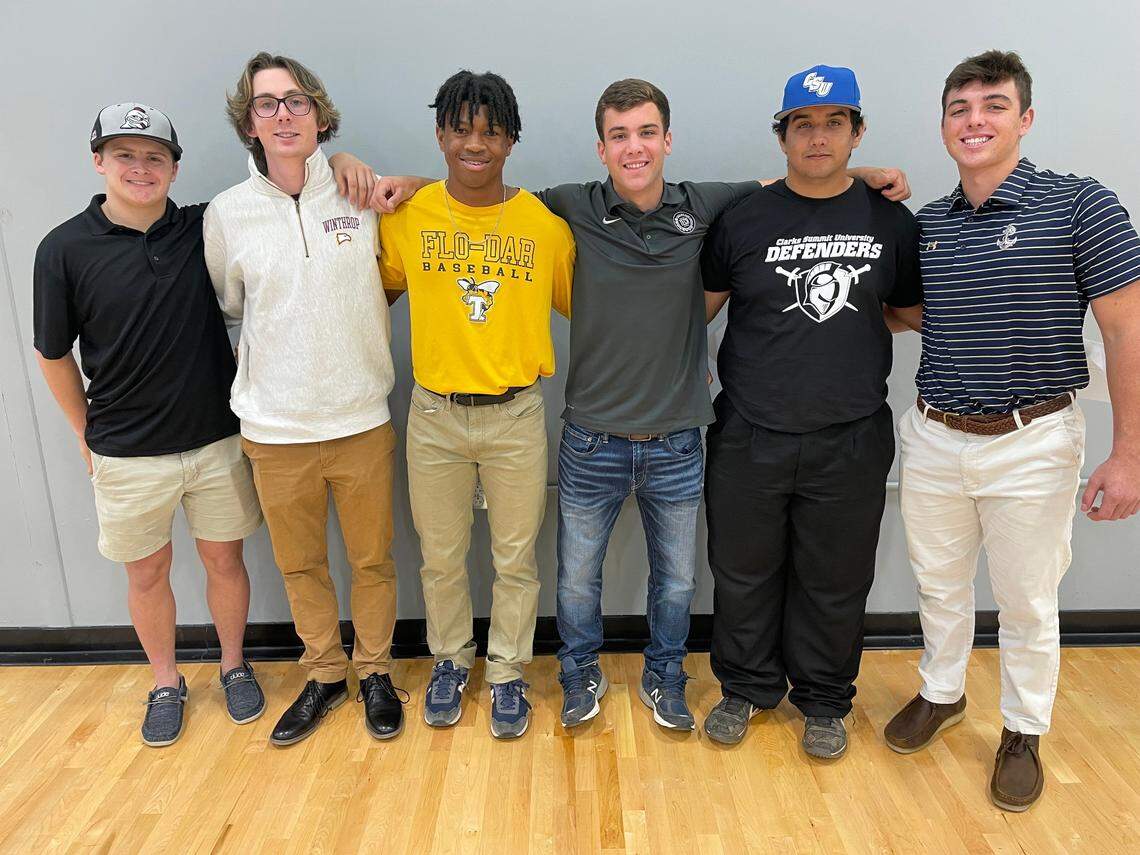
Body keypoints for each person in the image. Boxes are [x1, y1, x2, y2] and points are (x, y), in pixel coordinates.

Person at [374, 80, 910, 733]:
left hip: (679, 437)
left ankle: (665, 675)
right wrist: (405, 181)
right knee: (574, 583)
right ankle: (575, 674)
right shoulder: (564, 208)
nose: (635, 148)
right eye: (620, 136)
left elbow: (799, 179)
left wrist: (862, 172)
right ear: (601, 148)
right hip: (590, 438)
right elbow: (481, 190)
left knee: (677, 583)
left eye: (647, 132)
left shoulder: (712, 205)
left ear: (667, 140)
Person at [883, 50, 1140, 811]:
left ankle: (1024, 728)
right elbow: (910, 314)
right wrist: (867, 192)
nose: (975, 120)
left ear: (1024, 119)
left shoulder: (1080, 205)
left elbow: (1126, 331)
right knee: (939, 583)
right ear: (943, 127)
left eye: (993, 105)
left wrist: (1129, 454)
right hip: (933, 435)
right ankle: (943, 690)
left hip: (1033, 439)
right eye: (960, 108)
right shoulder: (930, 224)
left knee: (1028, 599)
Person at [700, 65, 922, 758]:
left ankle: (825, 699)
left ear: (856, 132)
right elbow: (698, 310)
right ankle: (744, 686)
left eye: (833, 123)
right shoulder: (742, 217)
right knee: (742, 570)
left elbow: (909, 310)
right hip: (749, 432)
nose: (818, 136)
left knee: (836, 577)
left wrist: (849, 327)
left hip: (850, 434)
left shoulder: (889, 218)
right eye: (804, 124)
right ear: (784, 135)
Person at [33, 102, 265, 747]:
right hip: (127, 453)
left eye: (154, 156)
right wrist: (84, 436)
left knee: (225, 559)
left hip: (216, 438)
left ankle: (234, 665)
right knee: (146, 573)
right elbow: (53, 354)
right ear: (98, 161)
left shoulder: (203, 229)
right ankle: (165, 680)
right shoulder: (63, 249)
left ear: (174, 167)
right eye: (125, 155)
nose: (141, 168)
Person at [205, 52, 406, 746]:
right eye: (267, 104)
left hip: (361, 420)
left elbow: (440, 206)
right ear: (250, 123)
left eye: (296, 101)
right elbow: (229, 310)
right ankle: (324, 672)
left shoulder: (361, 190)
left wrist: (368, 168)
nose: (283, 114)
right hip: (274, 429)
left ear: (319, 114)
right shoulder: (227, 216)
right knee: (301, 566)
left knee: (373, 560)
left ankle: (376, 669)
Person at [378, 70, 574, 739]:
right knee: (440, 555)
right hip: (433, 415)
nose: (475, 144)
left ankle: (510, 671)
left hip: (517, 415)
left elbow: (593, 307)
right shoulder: (409, 216)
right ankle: (451, 661)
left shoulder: (544, 227)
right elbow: (366, 294)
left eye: (491, 131)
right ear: (440, 134)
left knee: (516, 558)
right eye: (461, 129)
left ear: (511, 141)